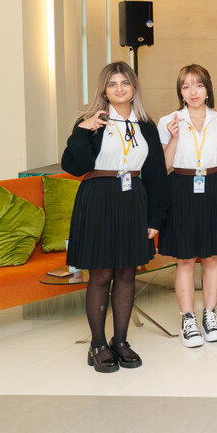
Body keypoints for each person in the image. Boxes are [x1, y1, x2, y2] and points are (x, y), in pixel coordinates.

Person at [63, 62, 170, 372]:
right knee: (100, 274)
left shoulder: (146, 125)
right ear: (104, 90)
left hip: (133, 199)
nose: (119, 88)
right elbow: (74, 166)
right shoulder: (91, 122)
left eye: (125, 83)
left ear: (134, 88)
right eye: (112, 84)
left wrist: (154, 219)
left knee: (126, 272)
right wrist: (82, 131)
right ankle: (97, 345)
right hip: (97, 198)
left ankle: (120, 341)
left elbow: (156, 176)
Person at [157, 64, 217, 347]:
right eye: (186, 86)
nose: (193, 92)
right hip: (180, 186)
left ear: (207, 89)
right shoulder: (169, 121)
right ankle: (188, 319)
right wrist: (173, 138)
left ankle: (210, 316)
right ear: (180, 92)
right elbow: (163, 167)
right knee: (186, 258)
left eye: (199, 85)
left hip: (213, 185)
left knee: (213, 257)